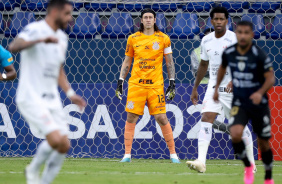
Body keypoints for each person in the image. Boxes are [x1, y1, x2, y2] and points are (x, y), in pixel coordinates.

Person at [9, 1, 86, 184]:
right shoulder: (35, 29)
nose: (70, 18)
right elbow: (14, 46)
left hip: (52, 99)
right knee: (55, 139)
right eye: (67, 13)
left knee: (64, 145)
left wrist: (70, 93)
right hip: (31, 96)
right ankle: (33, 169)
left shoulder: (62, 38)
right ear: (55, 12)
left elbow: (59, 70)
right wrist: (41, 40)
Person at [187, 7, 255, 173]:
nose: (218, 22)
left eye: (221, 19)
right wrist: (195, 87)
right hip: (214, 86)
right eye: (215, 19)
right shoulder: (206, 40)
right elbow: (203, 64)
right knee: (206, 117)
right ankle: (201, 162)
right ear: (211, 21)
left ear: (227, 21)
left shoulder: (234, 38)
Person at [213, 21, 275, 184]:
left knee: (263, 142)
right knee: (235, 134)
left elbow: (270, 78)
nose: (242, 35)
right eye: (239, 32)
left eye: (246, 32)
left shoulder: (258, 54)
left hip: (258, 103)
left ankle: (268, 177)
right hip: (239, 102)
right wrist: (217, 88)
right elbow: (222, 69)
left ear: (251, 35)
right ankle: (248, 166)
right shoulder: (230, 53)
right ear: (236, 34)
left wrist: (260, 92)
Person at [115, 8, 180, 163]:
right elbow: (127, 61)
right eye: (146, 17)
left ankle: (173, 154)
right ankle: (127, 155)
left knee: (161, 117)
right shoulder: (133, 38)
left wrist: (172, 82)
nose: (149, 20)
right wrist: (120, 81)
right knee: (131, 116)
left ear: (155, 20)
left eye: (151, 17)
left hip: (156, 85)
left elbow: (169, 62)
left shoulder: (164, 38)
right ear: (141, 20)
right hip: (136, 84)